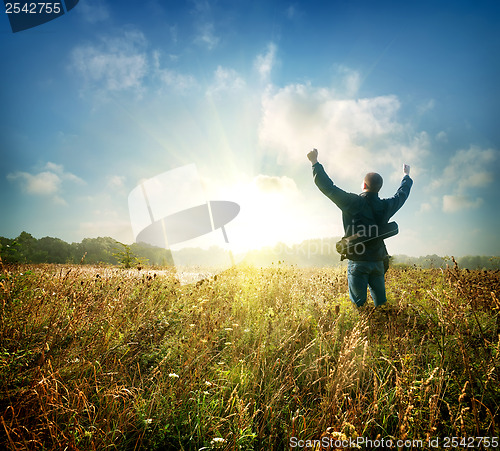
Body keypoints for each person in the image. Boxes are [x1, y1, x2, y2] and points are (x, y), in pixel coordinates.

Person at [306, 148, 413, 308]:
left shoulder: (352, 202)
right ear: (379, 188)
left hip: (358, 260)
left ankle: (365, 330)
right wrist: (406, 176)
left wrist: (314, 163)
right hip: (378, 261)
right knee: (382, 305)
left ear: (363, 185)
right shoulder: (386, 206)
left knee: (359, 307)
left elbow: (328, 187)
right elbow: (402, 194)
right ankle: (384, 328)